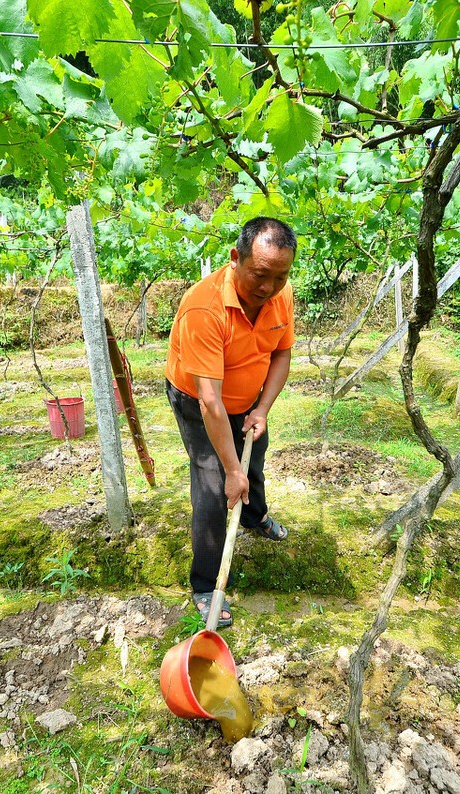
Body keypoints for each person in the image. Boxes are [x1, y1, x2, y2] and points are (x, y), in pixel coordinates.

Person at [165, 217, 297, 628]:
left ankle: (255, 517)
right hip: (199, 400)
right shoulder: (204, 308)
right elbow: (210, 401)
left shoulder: (281, 293)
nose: (268, 288)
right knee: (212, 481)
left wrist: (262, 410)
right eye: (260, 275)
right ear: (236, 258)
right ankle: (206, 585)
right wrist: (231, 469)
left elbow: (281, 354)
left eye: (280, 277)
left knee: (256, 455)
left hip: (247, 398)